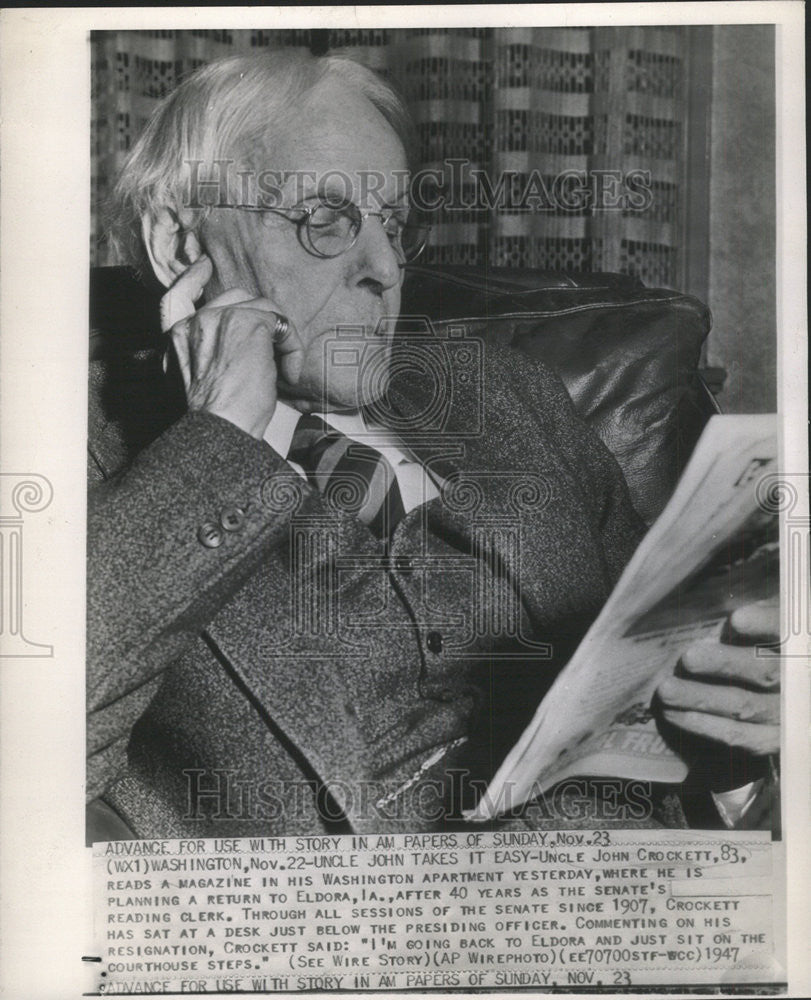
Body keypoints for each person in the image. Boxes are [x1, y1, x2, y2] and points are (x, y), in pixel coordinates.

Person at [87, 50, 780, 840]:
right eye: (326, 218)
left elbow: (663, 696)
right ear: (182, 245)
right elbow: (35, 757)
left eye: (391, 224)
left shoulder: (507, 400)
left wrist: (732, 760)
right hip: (337, 946)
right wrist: (219, 436)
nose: (384, 266)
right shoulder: (77, 450)